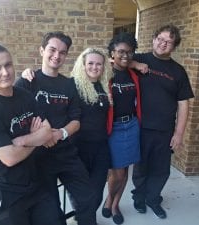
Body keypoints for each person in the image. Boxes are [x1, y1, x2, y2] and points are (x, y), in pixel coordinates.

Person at [0, 43, 62, 225]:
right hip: (4, 190)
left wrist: (22, 140)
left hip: (34, 182)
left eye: (8, 65)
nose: (5, 72)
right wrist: (36, 138)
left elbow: (47, 132)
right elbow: (10, 157)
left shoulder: (25, 96)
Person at [15, 32, 96, 225]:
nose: (56, 55)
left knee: (88, 198)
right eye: (52, 50)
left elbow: (76, 121)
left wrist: (59, 134)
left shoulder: (70, 84)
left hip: (66, 154)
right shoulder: (27, 82)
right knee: (51, 210)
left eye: (62, 52)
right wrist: (42, 136)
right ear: (42, 50)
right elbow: (17, 116)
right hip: (38, 158)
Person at [130, 24, 195, 219]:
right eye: (160, 39)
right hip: (140, 126)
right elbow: (115, 59)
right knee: (140, 167)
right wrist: (134, 65)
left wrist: (179, 133)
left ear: (174, 47)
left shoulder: (178, 72)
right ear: (154, 38)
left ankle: (153, 198)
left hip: (164, 130)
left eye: (168, 42)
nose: (163, 44)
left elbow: (183, 104)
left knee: (160, 169)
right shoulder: (140, 58)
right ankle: (139, 197)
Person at [102, 32, 142, 225]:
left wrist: (135, 64)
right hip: (115, 127)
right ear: (112, 53)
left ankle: (115, 203)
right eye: (120, 52)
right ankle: (109, 198)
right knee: (116, 172)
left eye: (129, 52)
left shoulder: (133, 74)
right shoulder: (105, 73)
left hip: (132, 125)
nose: (125, 55)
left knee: (125, 171)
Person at [69, 48, 113, 220]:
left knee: (97, 190)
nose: (95, 67)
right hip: (78, 147)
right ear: (83, 65)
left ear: (103, 67)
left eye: (99, 64)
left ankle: (82, 218)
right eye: (90, 63)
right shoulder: (72, 85)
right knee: (81, 192)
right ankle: (85, 220)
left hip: (101, 146)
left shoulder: (103, 85)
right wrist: (29, 74)